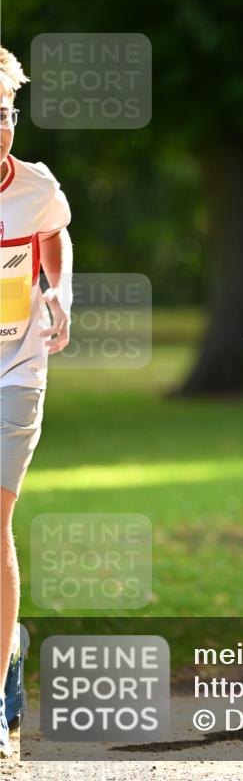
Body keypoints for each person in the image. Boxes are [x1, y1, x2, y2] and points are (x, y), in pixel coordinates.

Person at [0, 47, 72, 757]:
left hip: (15, 366)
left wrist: (59, 290)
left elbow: (54, 236)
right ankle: (11, 647)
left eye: (3, 114)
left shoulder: (35, 186)